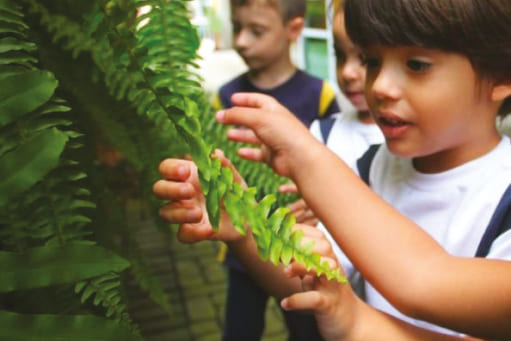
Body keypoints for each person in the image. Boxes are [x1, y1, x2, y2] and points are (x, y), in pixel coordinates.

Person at [153, 0, 511, 339]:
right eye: (372, 61)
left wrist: (306, 157)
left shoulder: (503, 198)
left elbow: (425, 282)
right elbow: (310, 279)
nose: (381, 86)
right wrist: (244, 225)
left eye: (416, 64)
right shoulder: (373, 167)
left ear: (500, 75)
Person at [210, 0, 340, 340]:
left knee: (307, 329)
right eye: (237, 27)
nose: (240, 41)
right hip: (242, 246)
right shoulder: (225, 96)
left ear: (293, 30)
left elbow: (334, 166)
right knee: (239, 329)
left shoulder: (320, 95)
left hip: (298, 248)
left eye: (256, 31)